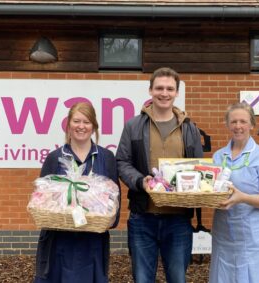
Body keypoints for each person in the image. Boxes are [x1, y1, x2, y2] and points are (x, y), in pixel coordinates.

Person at [116, 67, 203, 283]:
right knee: (143, 279)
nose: (164, 93)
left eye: (169, 89)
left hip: (179, 219)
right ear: (150, 90)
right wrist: (139, 181)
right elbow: (122, 162)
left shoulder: (189, 128)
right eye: (159, 88)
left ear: (177, 92)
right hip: (143, 217)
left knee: (177, 279)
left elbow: (198, 169)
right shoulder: (133, 126)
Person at [34, 102, 120, 283]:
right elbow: (40, 198)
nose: (81, 126)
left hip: (93, 243)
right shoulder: (55, 158)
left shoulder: (106, 158)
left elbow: (115, 203)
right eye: (76, 121)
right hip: (58, 242)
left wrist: (102, 216)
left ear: (94, 126)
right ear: (68, 125)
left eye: (87, 122)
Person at [209, 102, 259, 283]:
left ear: (252, 124)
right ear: (227, 124)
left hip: (255, 237)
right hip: (224, 234)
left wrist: (241, 197)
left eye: (243, 121)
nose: (238, 126)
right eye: (233, 121)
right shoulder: (218, 156)